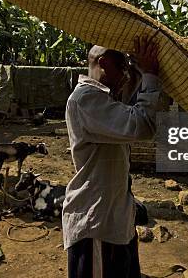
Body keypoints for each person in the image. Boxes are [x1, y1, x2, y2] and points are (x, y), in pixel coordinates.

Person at [62, 36, 162, 278]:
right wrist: (150, 74)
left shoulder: (103, 98)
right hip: (98, 224)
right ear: (104, 63)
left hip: (114, 221)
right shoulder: (86, 99)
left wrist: (141, 70)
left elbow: (131, 99)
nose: (127, 75)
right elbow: (143, 125)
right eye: (123, 68)